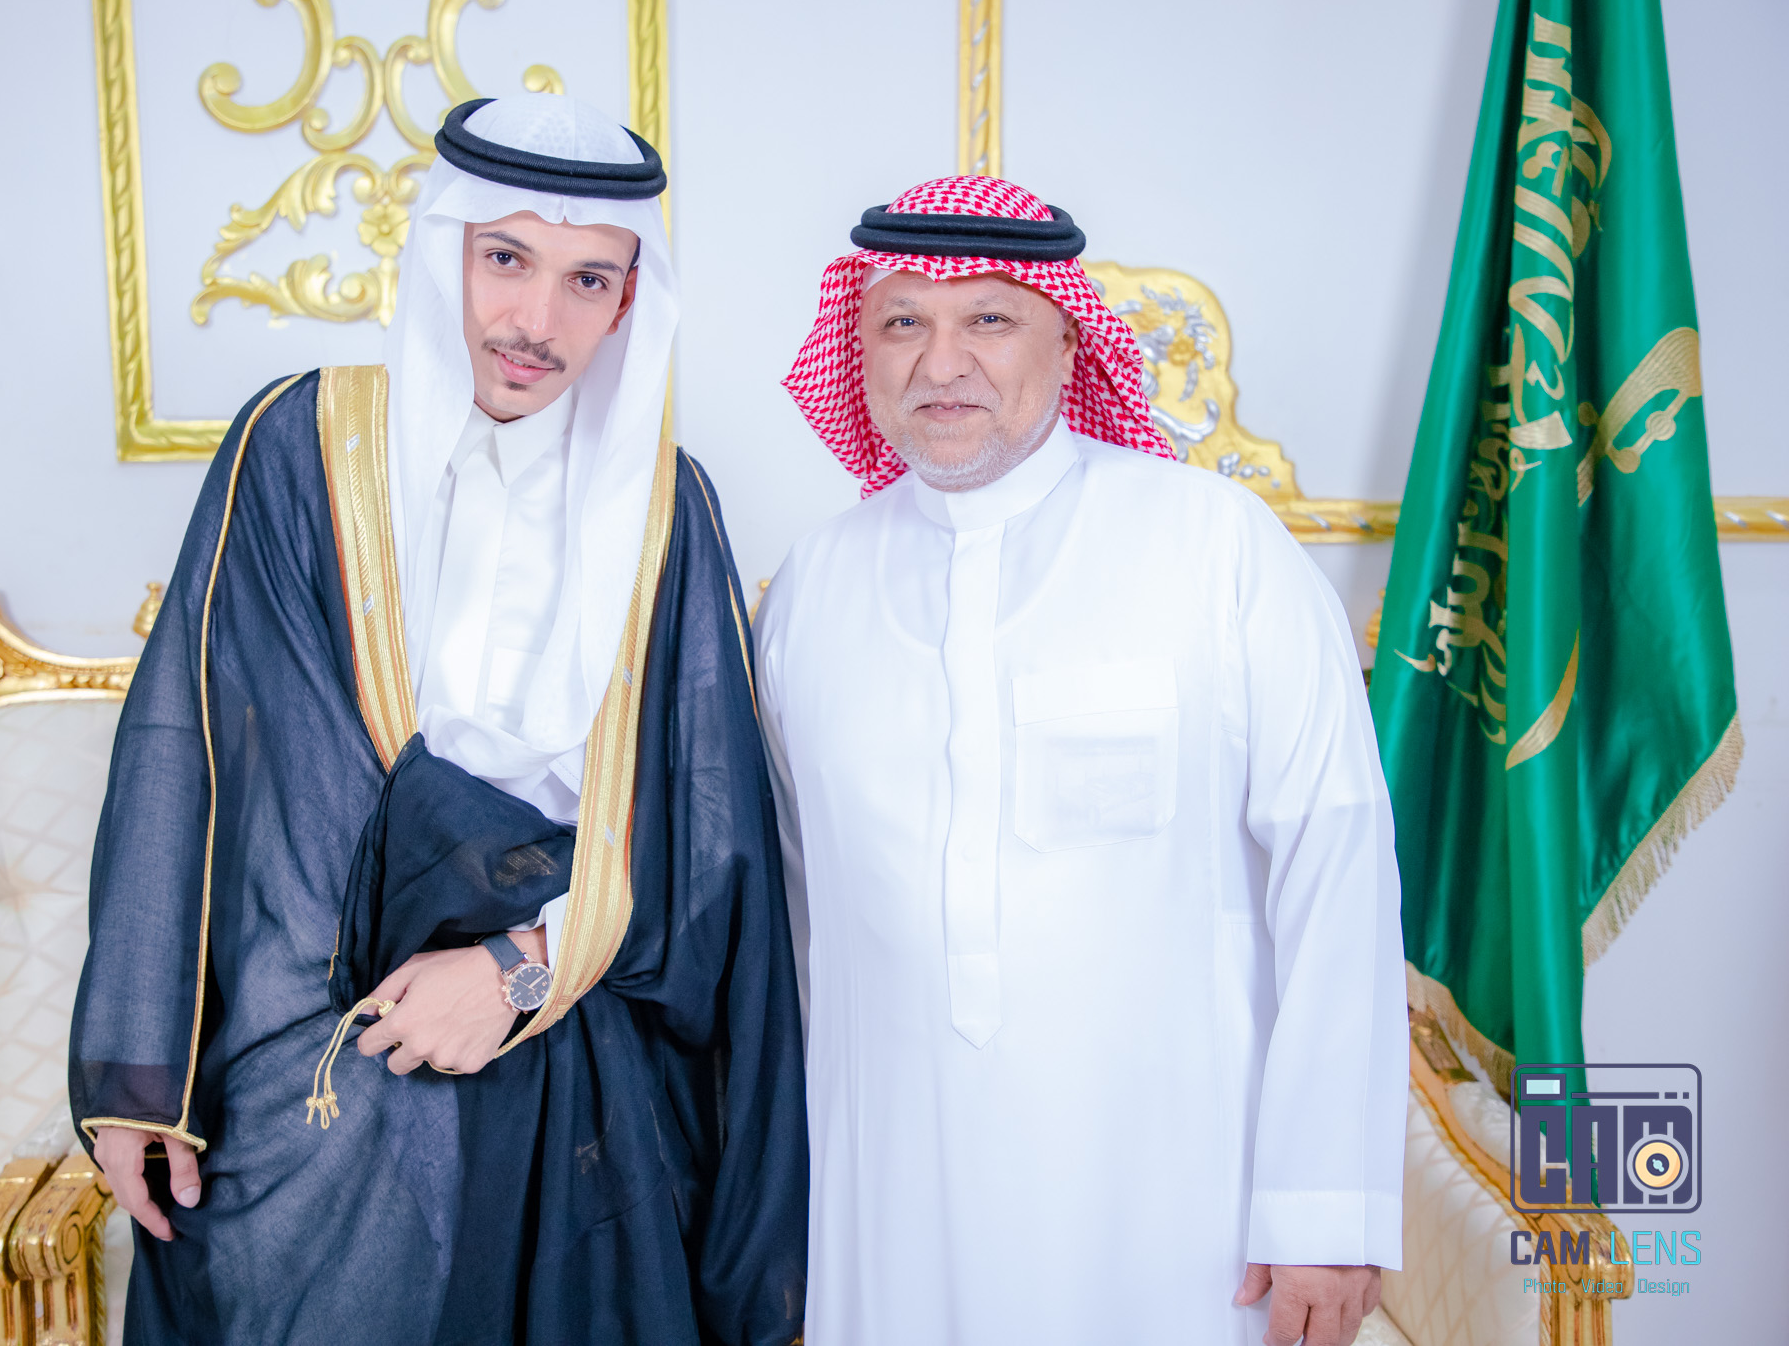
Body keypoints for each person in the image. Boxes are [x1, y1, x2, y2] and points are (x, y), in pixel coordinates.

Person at [70, 93, 807, 1346]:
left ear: (628, 301)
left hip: (579, 1037)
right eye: (505, 259)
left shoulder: (665, 510)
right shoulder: (298, 446)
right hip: (314, 1056)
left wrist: (520, 969)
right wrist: (141, 1074)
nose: (536, 322)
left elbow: (709, 836)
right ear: (441, 253)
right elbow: (180, 750)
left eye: (586, 280)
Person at [758, 176, 1405, 1346]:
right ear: (858, 348)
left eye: (987, 319)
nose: (940, 362)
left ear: (1066, 343)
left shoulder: (1215, 546)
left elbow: (1336, 869)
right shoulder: (813, 586)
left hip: (1179, 1217)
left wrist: (1325, 1205)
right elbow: (790, 923)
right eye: (901, 321)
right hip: (887, 1205)